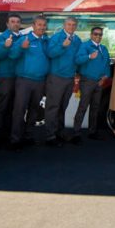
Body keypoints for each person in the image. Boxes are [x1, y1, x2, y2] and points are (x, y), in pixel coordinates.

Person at [8, 15, 50, 151]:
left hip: (40, 81)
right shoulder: (24, 39)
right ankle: (15, 140)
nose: (42, 27)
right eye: (39, 25)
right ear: (33, 25)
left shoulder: (46, 41)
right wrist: (21, 47)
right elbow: (12, 55)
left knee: (33, 110)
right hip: (24, 81)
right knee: (19, 110)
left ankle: (28, 136)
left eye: (44, 25)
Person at [45, 17, 82, 146]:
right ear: (64, 25)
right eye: (69, 24)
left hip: (69, 78)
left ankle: (59, 132)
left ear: (76, 26)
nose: (71, 27)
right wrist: (62, 45)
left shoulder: (77, 40)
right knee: (53, 107)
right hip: (56, 77)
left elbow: (78, 58)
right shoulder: (56, 37)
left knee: (62, 107)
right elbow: (50, 53)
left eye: (73, 25)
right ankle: (50, 136)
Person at [72, 26, 111, 142]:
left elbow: (107, 65)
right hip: (87, 81)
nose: (98, 36)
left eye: (100, 34)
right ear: (91, 35)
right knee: (83, 107)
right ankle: (76, 133)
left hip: (99, 82)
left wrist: (105, 77)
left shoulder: (103, 48)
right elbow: (77, 60)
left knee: (95, 108)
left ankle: (92, 131)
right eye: (95, 34)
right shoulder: (85, 46)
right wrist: (89, 56)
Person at [0, 13, 22, 147]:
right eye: (12, 22)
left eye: (17, 22)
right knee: (2, 107)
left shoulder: (20, 38)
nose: (15, 24)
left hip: (16, 77)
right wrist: (6, 46)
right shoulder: (2, 38)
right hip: (4, 77)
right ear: (7, 24)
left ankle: (7, 135)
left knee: (12, 108)